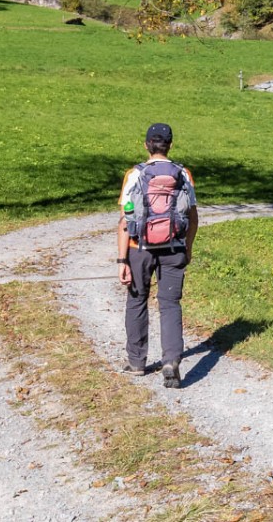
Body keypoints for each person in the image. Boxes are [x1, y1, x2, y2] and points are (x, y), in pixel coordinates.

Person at [117, 122, 198, 388]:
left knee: (137, 300)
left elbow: (124, 220)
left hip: (139, 249)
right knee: (170, 304)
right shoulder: (183, 174)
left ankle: (136, 362)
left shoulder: (135, 174)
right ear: (170, 145)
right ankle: (171, 360)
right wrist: (187, 247)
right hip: (174, 247)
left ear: (146, 145)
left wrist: (122, 260)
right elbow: (193, 216)